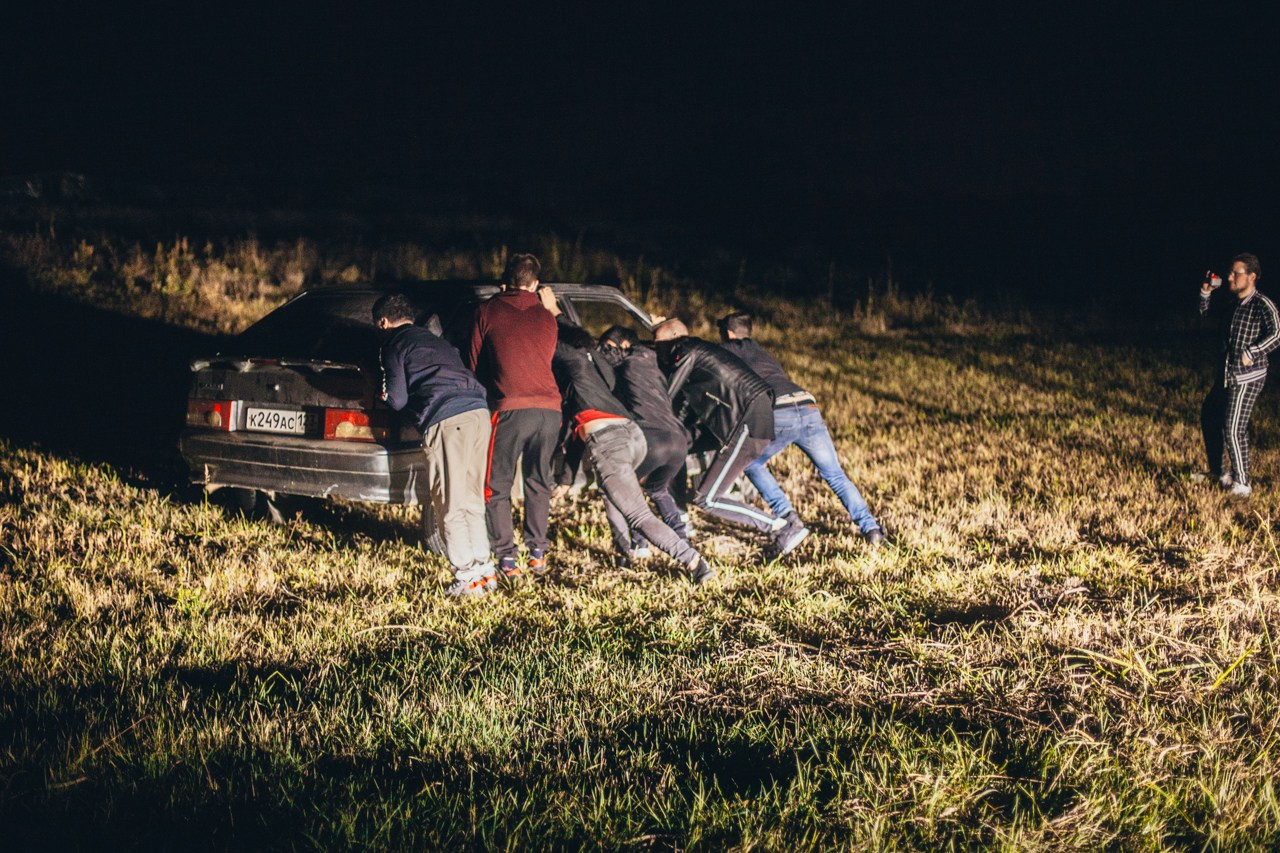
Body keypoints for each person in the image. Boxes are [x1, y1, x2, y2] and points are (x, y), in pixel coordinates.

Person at [545, 296, 714, 582]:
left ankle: (693, 561)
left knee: (638, 515)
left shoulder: (572, 367)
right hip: (632, 434)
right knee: (615, 493)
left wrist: (550, 313)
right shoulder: (596, 372)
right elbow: (579, 435)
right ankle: (630, 550)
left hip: (610, 442)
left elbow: (551, 342)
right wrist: (565, 481)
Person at [718, 311, 885, 546]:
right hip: (807, 404)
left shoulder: (728, 351)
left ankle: (788, 518)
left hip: (779, 411)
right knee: (835, 475)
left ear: (728, 333)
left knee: (751, 463)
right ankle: (871, 528)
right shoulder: (763, 353)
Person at [653, 318, 808, 557]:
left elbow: (669, 394)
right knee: (680, 444)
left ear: (674, 340)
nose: (657, 350)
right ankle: (681, 512)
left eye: (658, 343)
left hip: (745, 422)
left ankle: (779, 526)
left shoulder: (688, 350)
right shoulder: (704, 351)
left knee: (707, 498)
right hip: (749, 418)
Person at [374, 293, 495, 597]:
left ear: (383, 322)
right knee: (470, 498)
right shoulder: (435, 340)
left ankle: (466, 576)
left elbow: (397, 398)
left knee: (449, 503)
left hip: (447, 418)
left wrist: (383, 396)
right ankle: (484, 571)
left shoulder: (394, 344)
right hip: (479, 412)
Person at [467, 253, 560, 581]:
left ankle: (507, 559)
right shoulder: (547, 317)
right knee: (539, 483)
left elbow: (475, 364)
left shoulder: (487, 310)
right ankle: (537, 554)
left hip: (510, 409)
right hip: (550, 411)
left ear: (503, 282)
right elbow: (546, 357)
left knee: (497, 486)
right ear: (535, 284)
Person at [598, 325, 691, 556]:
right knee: (657, 490)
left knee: (630, 492)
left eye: (609, 347)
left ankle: (639, 545)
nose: (605, 352)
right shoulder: (653, 363)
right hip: (678, 442)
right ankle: (682, 537)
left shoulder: (627, 364)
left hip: (653, 439)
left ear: (626, 345)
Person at [1199, 253, 1280, 498]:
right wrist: (1206, 292)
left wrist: (1253, 351)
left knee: (1234, 427)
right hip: (1227, 375)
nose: (1230, 277)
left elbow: (1277, 333)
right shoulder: (1232, 304)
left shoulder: (1262, 304)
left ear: (1252, 277)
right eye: (1231, 273)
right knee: (1210, 417)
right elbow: (1206, 314)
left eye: (1236, 273)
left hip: (1249, 376)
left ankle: (1242, 484)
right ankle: (1219, 473)